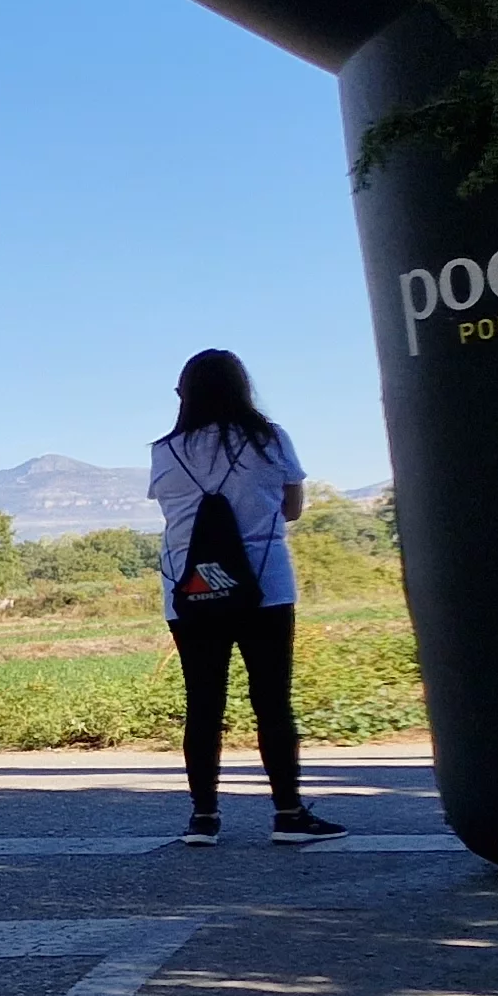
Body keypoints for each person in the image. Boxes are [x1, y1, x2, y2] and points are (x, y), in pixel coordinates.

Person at [150, 347, 347, 846]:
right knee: (272, 701)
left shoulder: (165, 451)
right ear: (243, 389)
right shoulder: (270, 440)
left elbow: (176, 518)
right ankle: (288, 812)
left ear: (185, 394)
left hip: (189, 591)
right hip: (265, 587)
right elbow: (294, 508)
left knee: (203, 702)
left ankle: (204, 818)